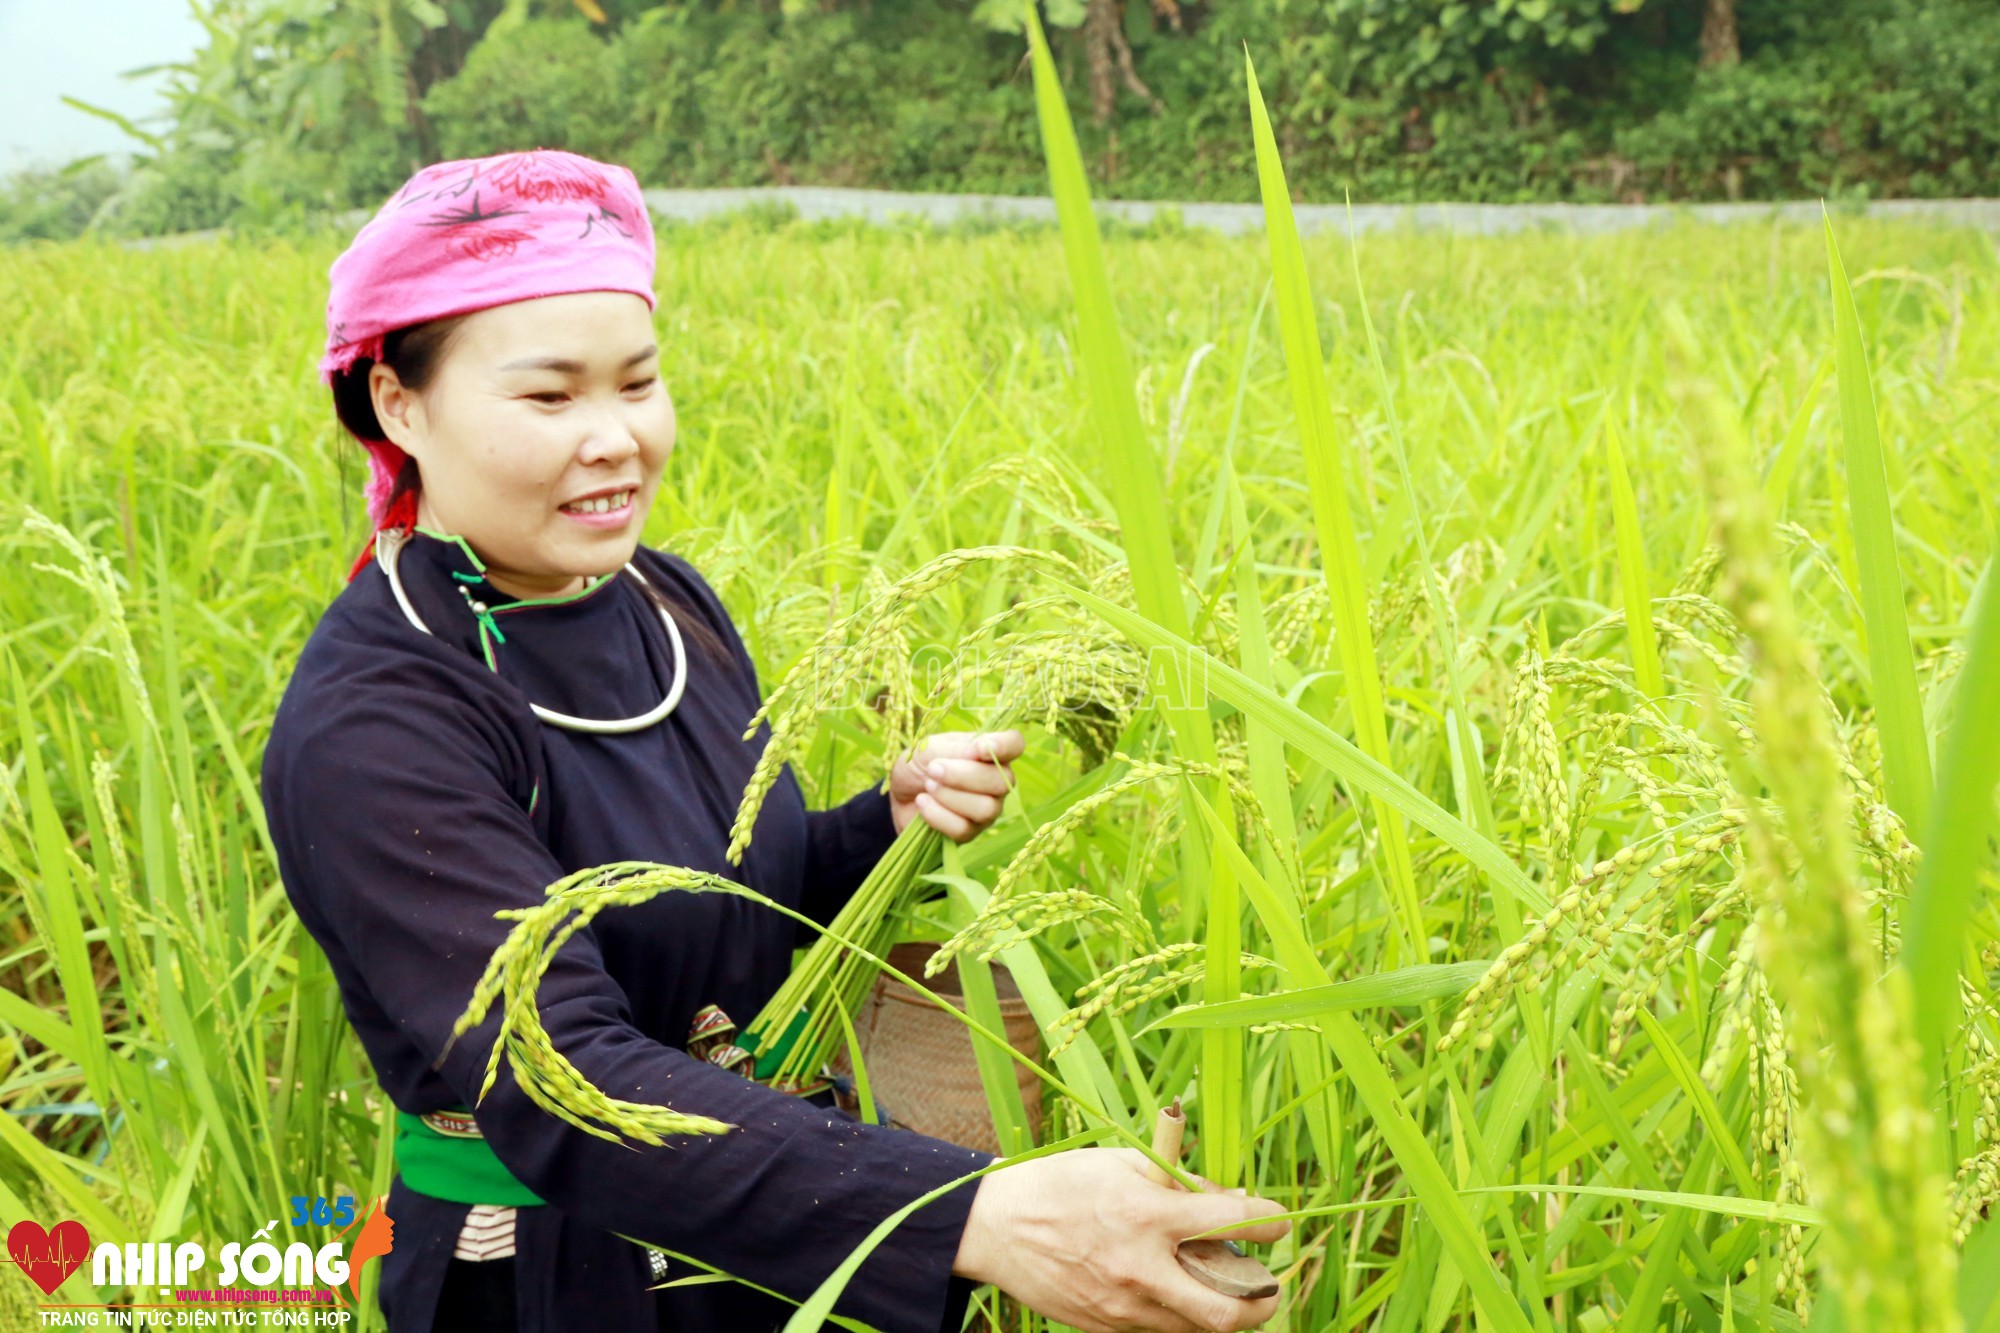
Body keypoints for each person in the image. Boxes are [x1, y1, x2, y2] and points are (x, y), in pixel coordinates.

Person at [261, 148, 1288, 1333]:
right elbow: (566, 1078)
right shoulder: (377, 719)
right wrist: (972, 1218)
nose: (612, 439)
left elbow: (734, 896)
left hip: (773, 1225)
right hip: (556, 1276)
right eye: (549, 397)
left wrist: (881, 822)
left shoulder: (662, 600)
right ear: (398, 400)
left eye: (636, 384)